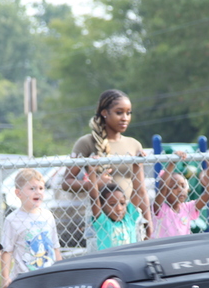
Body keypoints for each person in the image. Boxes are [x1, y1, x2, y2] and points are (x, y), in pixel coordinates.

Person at [64, 90, 153, 240]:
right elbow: (67, 183)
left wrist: (148, 222)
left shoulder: (134, 144)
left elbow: (141, 190)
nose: (125, 118)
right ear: (105, 112)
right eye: (119, 112)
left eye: (128, 113)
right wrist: (94, 184)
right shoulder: (86, 142)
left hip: (128, 219)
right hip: (100, 220)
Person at [1, 168, 62, 283]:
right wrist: (5, 278)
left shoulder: (48, 215)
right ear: (18, 193)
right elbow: (7, 251)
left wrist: (60, 271)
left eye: (41, 188)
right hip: (24, 278)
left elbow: (55, 247)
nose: (38, 192)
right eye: (32, 188)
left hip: (48, 276)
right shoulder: (12, 220)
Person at [153, 152, 209, 239]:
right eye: (174, 187)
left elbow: (208, 193)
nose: (180, 190)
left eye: (183, 186)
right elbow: (162, 188)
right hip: (164, 249)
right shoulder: (160, 208)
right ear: (166, 192)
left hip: (182, 248)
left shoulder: (187, 208)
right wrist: (172, 163)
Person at [88, 170, 144, 250]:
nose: (119, 208)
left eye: (122, 203)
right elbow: (94, 198)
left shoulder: (129, 218)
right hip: (109, 261)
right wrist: (92, 171)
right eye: (112, 204)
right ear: (102, 206)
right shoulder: (103, 223)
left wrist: (137, 166)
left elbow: (138, 191)